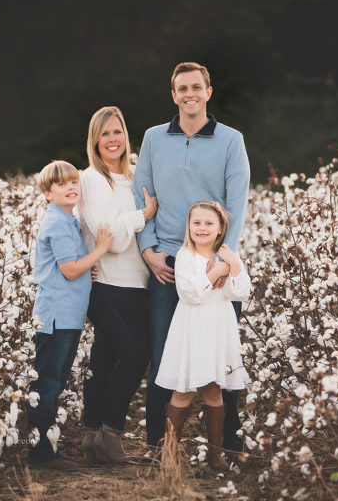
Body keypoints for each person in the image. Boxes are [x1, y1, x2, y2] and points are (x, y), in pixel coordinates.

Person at [133, 62, 250, 460]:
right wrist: (148, 250)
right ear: (173, 95)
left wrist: (222, 258)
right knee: (164, 354)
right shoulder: (152, 138)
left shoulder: (231, 140)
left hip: (216, 259)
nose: (189, 94)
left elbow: (237, 202)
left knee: (224, 356)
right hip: (168, 262)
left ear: (208, 92)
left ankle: (227, 445)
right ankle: (157, 446)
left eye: (196, 87)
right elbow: (141, 196)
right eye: (182, 88)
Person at [77, 106, 158, 463]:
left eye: (118, 132)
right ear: (95, 140)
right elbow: (111, 239)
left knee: (106, 357)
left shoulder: (135, 176)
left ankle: (91, 435)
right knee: (136, 352)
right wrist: (143, 215)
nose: (112, 140)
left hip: (137, 282)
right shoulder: (91, 179)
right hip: (106, 282)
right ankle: (111, 433)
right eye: (105, 133)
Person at [29, 160, 113, 471]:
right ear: (48, 194)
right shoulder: (56, 222)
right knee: (48, 384)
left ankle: (42, 447)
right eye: (62, 184)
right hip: (57, 317)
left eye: (73, 181)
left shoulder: (68, 219)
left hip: (66, 316)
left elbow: (72, 266)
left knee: (53, 381)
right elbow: (68, 269)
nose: (71, 187)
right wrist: (100, 250)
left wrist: (85, 266)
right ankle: (39, 453)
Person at [155, 201, 250, 470]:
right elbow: (191, 294)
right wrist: (216, 273)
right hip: (192, 328)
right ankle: (170, 454)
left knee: (213, 388)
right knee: (183, 389)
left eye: (209, 223)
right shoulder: (185, 255)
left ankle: (216, 454)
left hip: (218, 328)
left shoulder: (228, 255)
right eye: (196, 223)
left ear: (220, 229)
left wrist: (233, 267)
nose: (202, 228)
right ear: (189, 227)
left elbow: (240, 292)